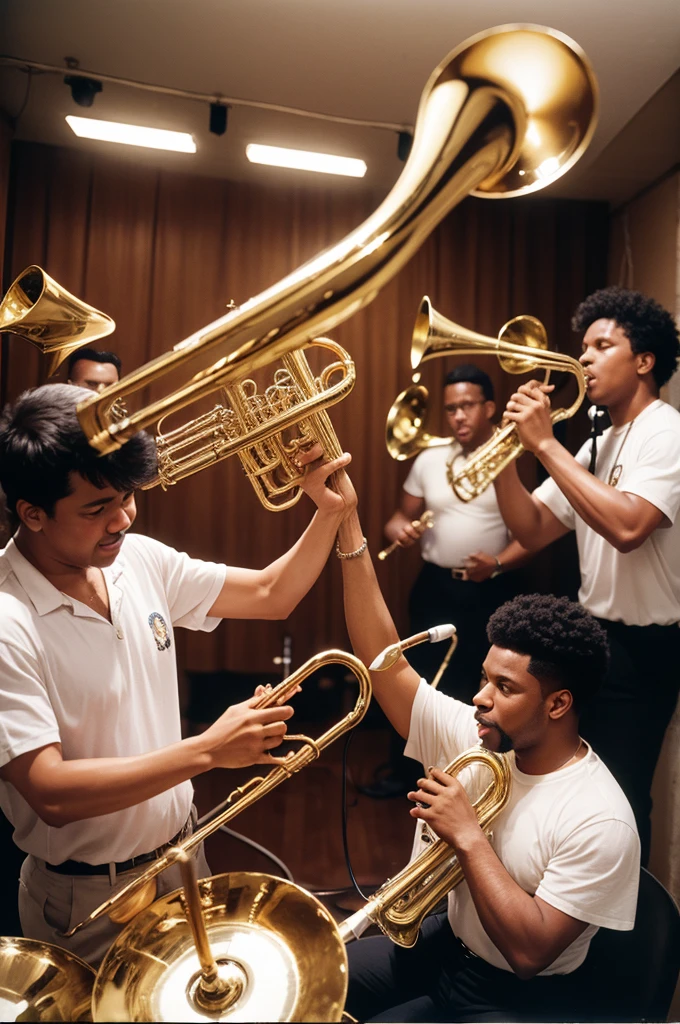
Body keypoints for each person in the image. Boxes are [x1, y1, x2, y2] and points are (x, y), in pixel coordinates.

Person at [0, 383, 354, 965]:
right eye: (96, 509)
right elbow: (50, 792)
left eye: (127, 497)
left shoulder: (136, 557)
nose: (122, 519)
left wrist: (330, 512)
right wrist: (209, 750)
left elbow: (272, 592)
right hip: (86, 896)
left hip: (185, 856)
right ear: (32, 513)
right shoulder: (11, 616)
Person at [334, 491, 639, 1022]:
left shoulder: (600, 816)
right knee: (314, 982)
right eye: (482, 678)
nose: (480, 697)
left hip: (518, 995)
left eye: (503, 686)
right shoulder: (482, 737)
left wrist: (468, 834)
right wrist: (347, 522)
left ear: (558, 703)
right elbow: (383, 660)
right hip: (443, 943)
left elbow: (529, 953)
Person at [493, 286, 680, 864]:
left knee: (621, 798)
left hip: (645, 647)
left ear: (644, 361)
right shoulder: (598, 443)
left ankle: (628, 942)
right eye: (583, 347)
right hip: (595, 635)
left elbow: (628, 528)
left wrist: (546, 444)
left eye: (603, 345)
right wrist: (506, 453)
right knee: (576, 784)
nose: (584, 360)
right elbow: (530, 528)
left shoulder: (666, 432)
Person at [384, 365, 530, 702]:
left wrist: (496, 564)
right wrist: (401, 531)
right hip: (435, 587)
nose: (458, 417)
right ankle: (410, 758)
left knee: (484, 689)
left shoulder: (515, 457)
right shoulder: (430, 458)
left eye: (467, 406)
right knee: (422, 685)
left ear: (489, 408)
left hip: (493, 590)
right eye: (451, 409)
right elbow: (397, 519)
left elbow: (534, 534)